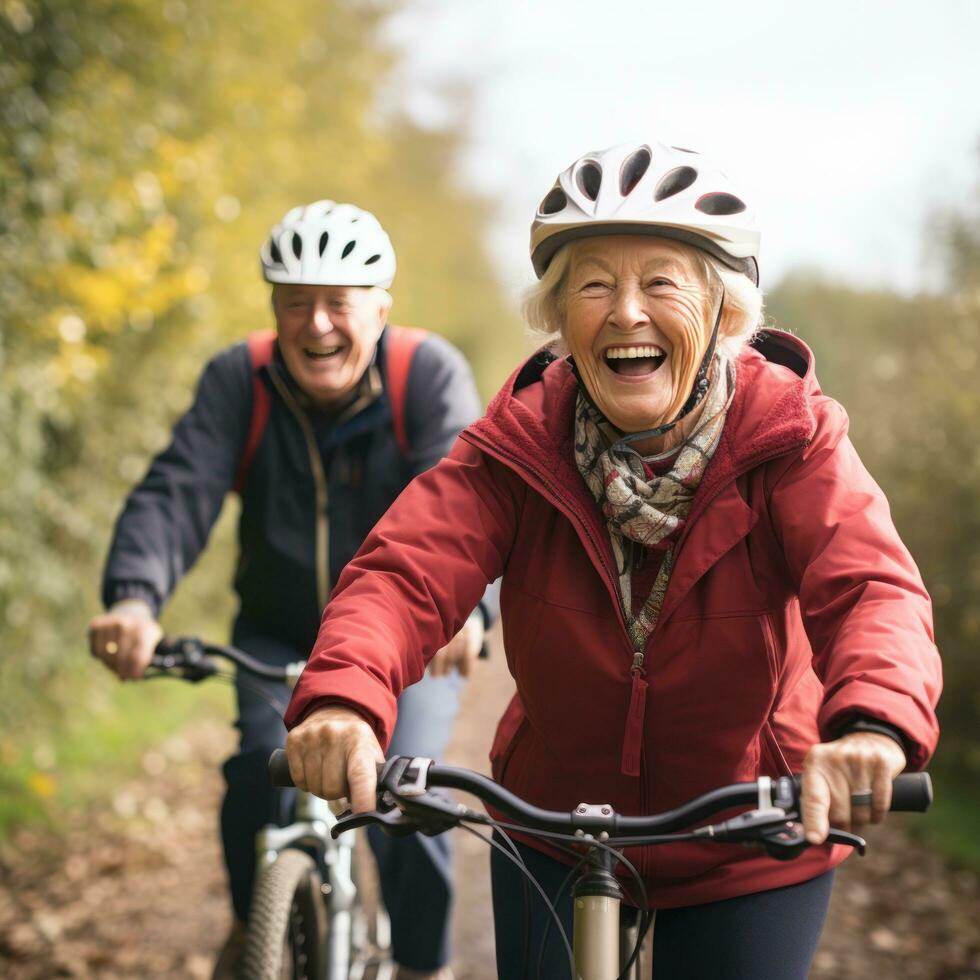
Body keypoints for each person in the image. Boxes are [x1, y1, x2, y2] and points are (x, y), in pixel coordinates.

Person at [282, 143, 942, 978]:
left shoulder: (791, 441)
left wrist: (871, 723)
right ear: (559, 318)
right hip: (555, 826)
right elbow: (403, 572)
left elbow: (871, 589)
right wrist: (344, 697)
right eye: (593, 285)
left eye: (661, 281)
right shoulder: (518, 447)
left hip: (751, 835)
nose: (625, 311)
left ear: (725, 311)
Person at [87, 199, 497, 980]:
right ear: (274, 306)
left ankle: (422, 965)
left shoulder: (426, 377)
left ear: (381, 308)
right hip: (276, 634)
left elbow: (464, 509)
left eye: (338, 304)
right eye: (296, 303)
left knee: (407, 791)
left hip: (407, 645)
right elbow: (179, 490)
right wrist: (136, 597)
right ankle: (258, 935)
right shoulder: (238, 381)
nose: (316, 326)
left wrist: (468, 611)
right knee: (256, 770)